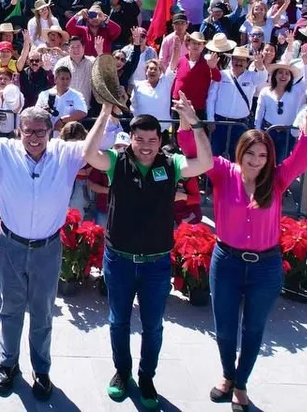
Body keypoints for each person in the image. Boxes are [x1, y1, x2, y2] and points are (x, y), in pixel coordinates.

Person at [0, 105, 90, 401]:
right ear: (19, 131)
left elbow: (92, 148)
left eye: (41, 131)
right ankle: (8, 364)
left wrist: (105, 111)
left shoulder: (64, 155)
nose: (34, 137)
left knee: (42, 313)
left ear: (51, 133)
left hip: (47, 248)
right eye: (28, 131)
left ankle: (41, 370)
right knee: (10, 309)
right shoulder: (3, 151)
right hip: (11, 245)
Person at [83, 93, 213, 407]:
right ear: (130, 140)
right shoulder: (117, 161)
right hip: (120, 260)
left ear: (159, 141)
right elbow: (89, 153)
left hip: (156, 263)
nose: (145, 145)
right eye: (139, 139)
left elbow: (206, 163)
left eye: (152, 140)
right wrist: (104, 113)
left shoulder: (172, 164)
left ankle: (146, 377)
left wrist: (194, 121)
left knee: (153, 325)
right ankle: (122, 372)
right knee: (118, 321)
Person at [207, 106, 307, 411]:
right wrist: (189, 122)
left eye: (263, 155)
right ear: (240, 152)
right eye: (251, 154)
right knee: (225, 328)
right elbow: (193, 149)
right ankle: (227, 376)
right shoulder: (222, 171)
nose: (256, 161)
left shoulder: (278, 179)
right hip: (226, 262)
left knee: (254, 328)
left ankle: (241, 383)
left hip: (265, 267)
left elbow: (302, 155)